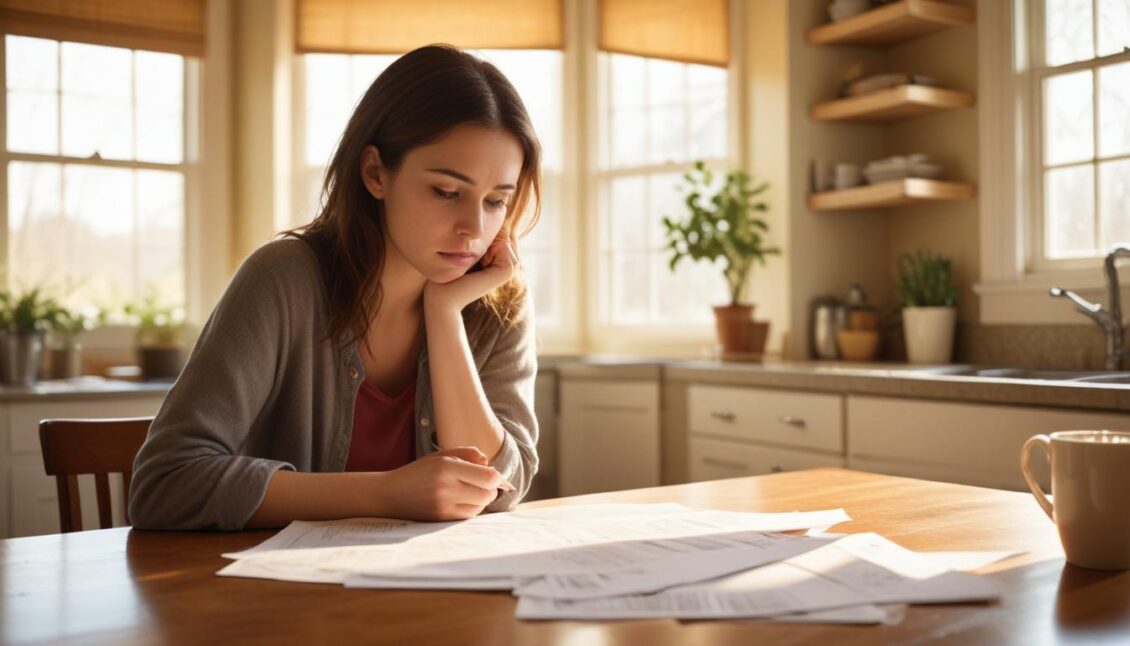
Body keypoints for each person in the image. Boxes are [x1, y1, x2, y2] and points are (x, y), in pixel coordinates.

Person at [128, 44, 541, 530]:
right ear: (375, 173)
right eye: (446, 192)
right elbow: (164, 483)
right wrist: (384, 492)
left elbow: (501, 487)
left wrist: (445, 313)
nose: (474, 228)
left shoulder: (495, 303)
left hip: (429, 595)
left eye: (496, 201)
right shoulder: (282, 280)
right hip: (269, 597)